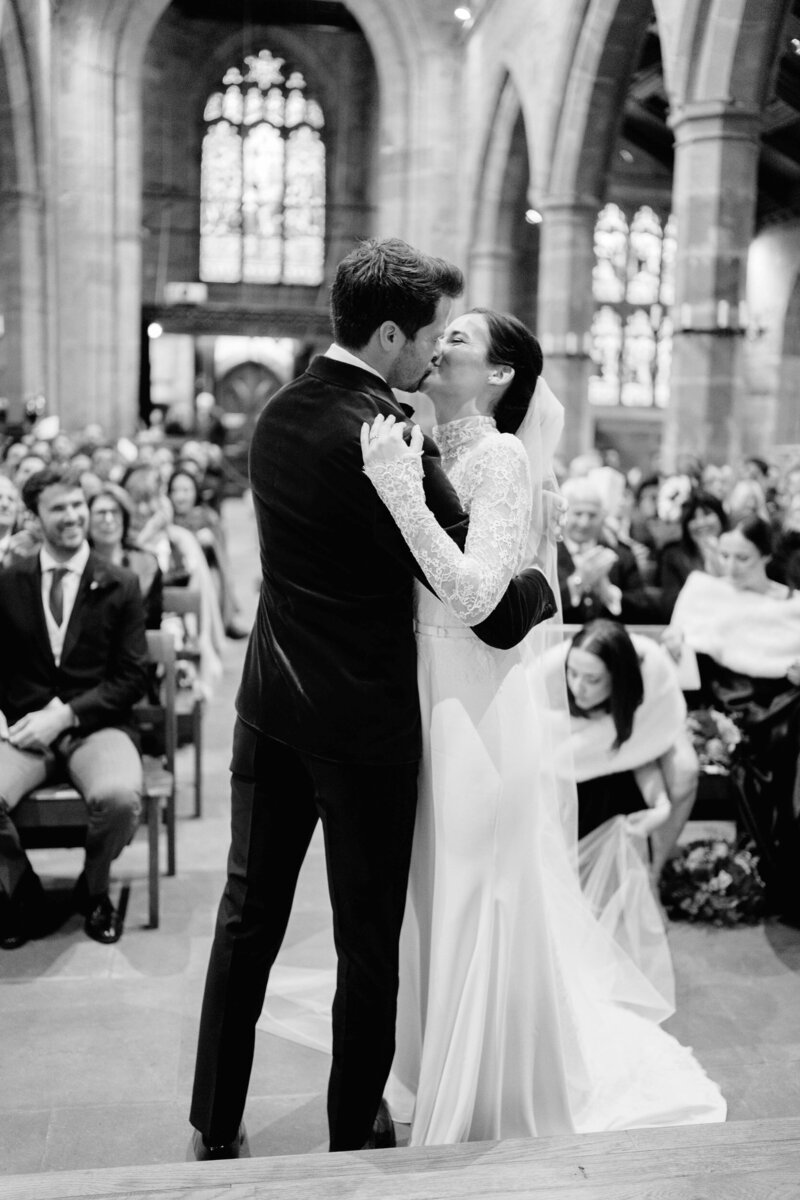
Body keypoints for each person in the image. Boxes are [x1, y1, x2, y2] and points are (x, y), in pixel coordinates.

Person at [188, 239, 556, 1160]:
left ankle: (212, 1116)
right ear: (390, 334)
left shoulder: (273, 416)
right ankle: (353, 1131)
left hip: (270, 704)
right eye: (430, 333)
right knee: (366, 944)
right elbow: (492, 607)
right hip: (365, 727)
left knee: (246, 917)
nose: (437, 350)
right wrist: (548, 587)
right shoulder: (386, 437)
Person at [361, 309, 725, 1144]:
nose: (440, 340)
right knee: (430, 891)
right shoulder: (424, 443)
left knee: (471, 892)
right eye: (441, 331)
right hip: (423, 691)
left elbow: (481, 595)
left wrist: (396, 491)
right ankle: (426, 1063)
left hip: (477, 710)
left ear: (497, 376)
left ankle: (483, 1091)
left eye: (461, 338)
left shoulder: (500, 457)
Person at [0, 465, 148, 949]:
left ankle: (94, 886)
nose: (73, 517)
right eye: (58, 508)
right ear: (35, 516)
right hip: (23, 729)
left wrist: (65, 714)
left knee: (121, 797)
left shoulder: (120, 583)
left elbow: (130, 678)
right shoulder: (10, 581)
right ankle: (22, 892)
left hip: (95, 725)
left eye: (77, 505)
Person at [665, 516, 800, 926]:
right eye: (724, 555)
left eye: (742, 557)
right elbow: (682, 636)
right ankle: (764, 870)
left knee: (786, 735)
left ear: (764, 556)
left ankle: (783, 873)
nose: (730, 565)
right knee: (765, 744)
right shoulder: (705, 591)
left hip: (780, 697)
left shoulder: (789, 601)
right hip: (727, 701)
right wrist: (675, 639)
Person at [557, 475, 662, 624]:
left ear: (602, 517)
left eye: (592, 515)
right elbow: (540, 608)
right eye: (578, 513)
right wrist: (577, 582)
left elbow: (646, 609)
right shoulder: (549, 555)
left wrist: (609, 594)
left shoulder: (621, 556)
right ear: (565, 515)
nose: (584, 523)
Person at [87, 484, 163, 629]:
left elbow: (153, 621)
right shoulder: (78, 564)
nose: (109, 519)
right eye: (101, 513)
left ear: (125, 518)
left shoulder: (146, 563)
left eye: (115, 512)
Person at [656, 490, 728, 619]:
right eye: (693, 518)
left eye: (707, 514)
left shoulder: (738, 551)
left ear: (721, 517)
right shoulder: (673, 555)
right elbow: (669, 606)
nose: (701, 523)